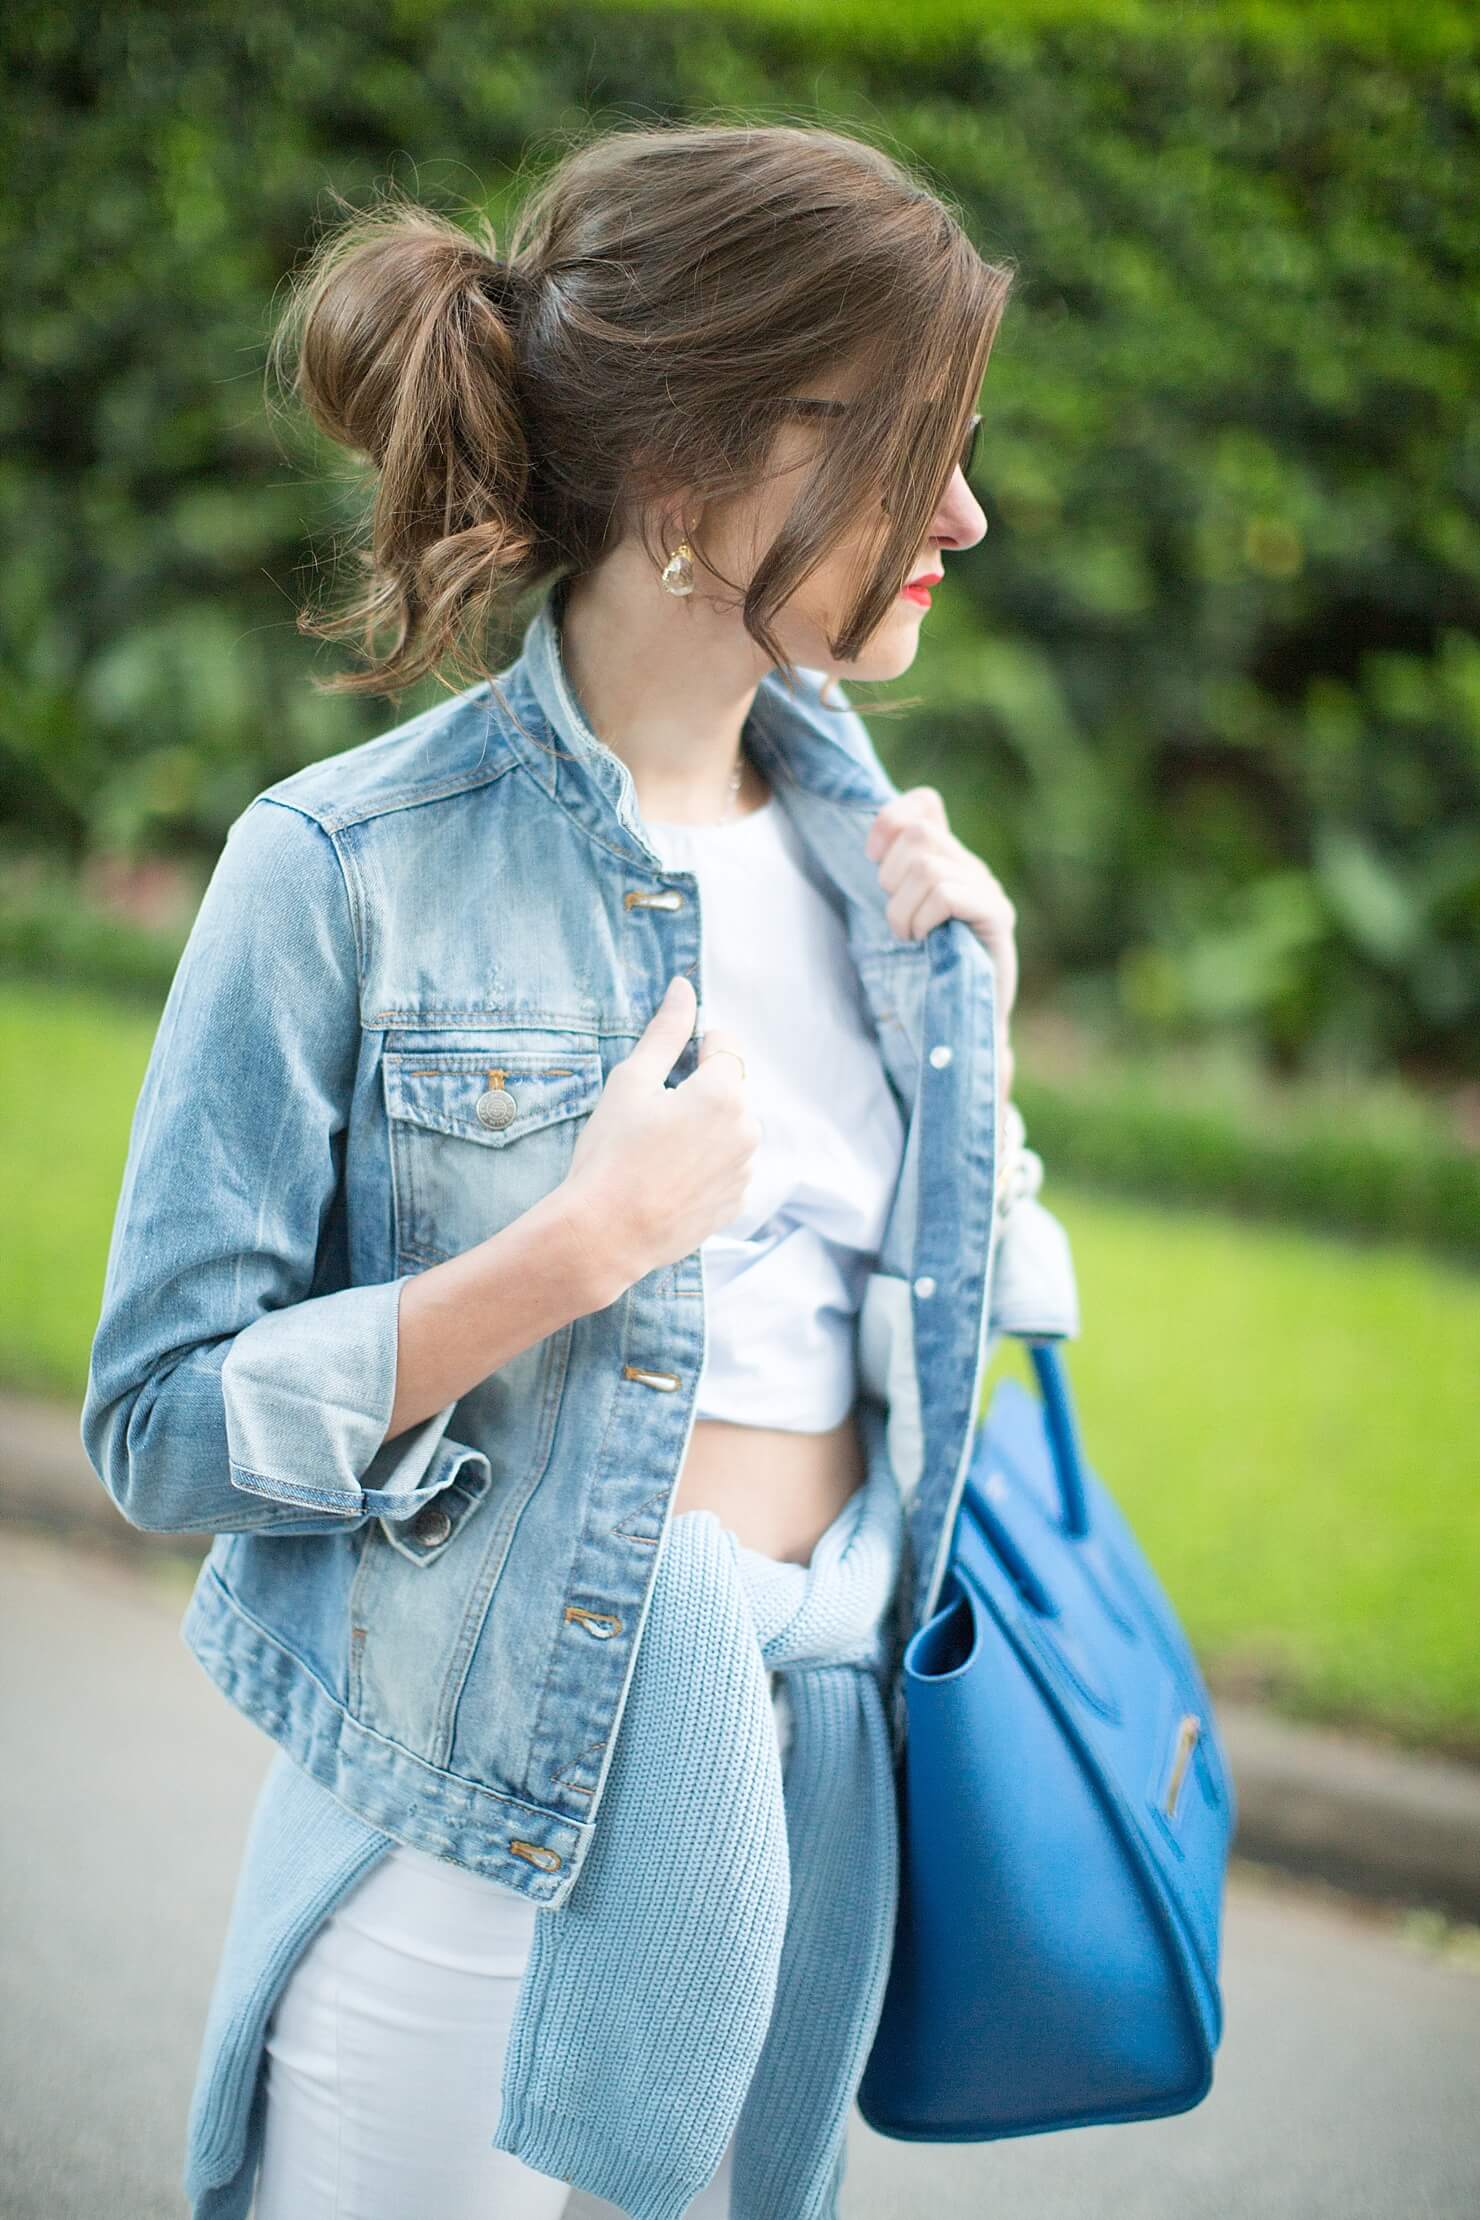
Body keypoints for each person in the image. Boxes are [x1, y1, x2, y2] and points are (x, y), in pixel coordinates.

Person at [82, 119, 1080, 2220]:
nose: (965, 515)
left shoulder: (870, 867)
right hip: (475, 1827)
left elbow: (943, 1336)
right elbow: (159, 1428)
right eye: (918, 450)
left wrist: (965, 1033)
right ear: (696, 466)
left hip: (798, 1813)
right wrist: (566, 1251)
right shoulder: (340, 868)